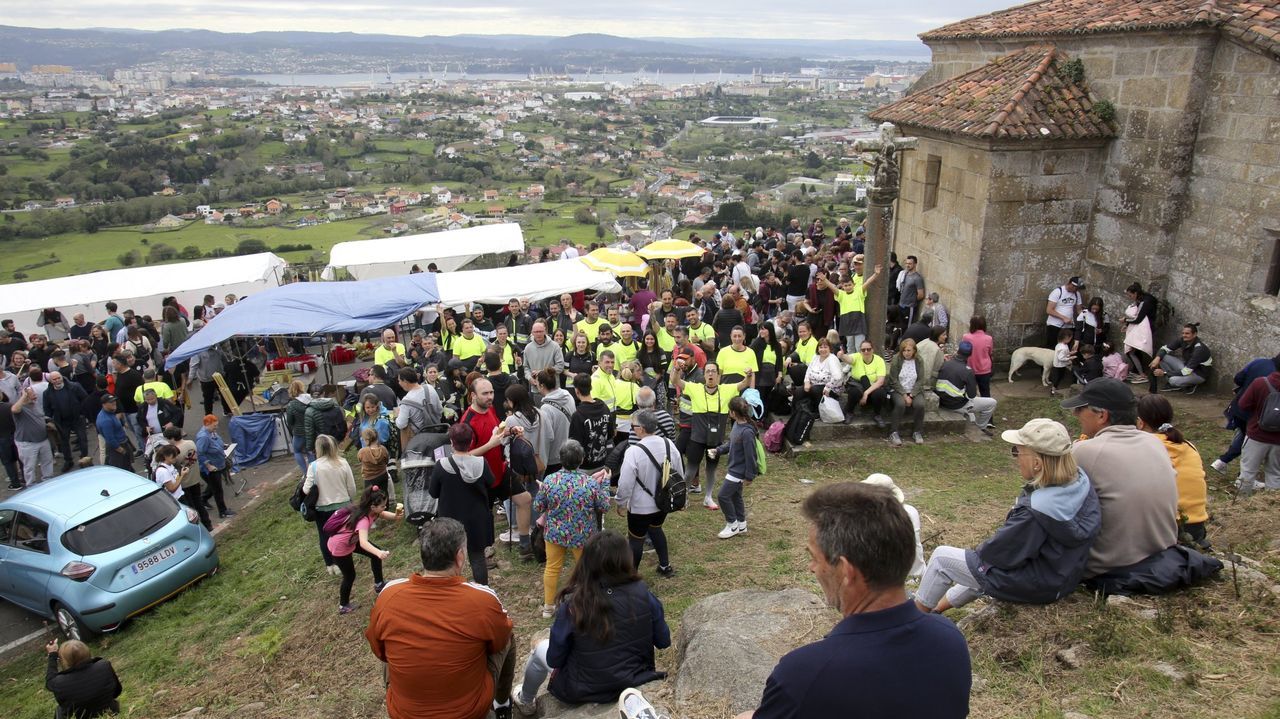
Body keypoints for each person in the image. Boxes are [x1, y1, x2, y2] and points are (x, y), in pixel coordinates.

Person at [738, 482, 970, 719]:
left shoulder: (805, 676)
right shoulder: (950, 640)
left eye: (815, 558)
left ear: (846, 572)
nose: (812, 569)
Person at [916, 419, 1100, 614]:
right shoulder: (1080, 481)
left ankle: (911, 620)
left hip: (1040, 585)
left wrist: (984, 551)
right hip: (1061, 576)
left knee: (942, 558)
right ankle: (937, 609)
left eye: (1017, 451)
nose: (1016, 458)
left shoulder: (1035, 512)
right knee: (973, 565)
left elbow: (995, 556)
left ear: (1037, 463)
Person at [365, 517, 515, 719]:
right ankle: (502, 703)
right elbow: (498, 642)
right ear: (460, 556)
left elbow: (379, 651)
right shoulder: (482, 599)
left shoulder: (389, 595)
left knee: (389, 643)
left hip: (404, 713)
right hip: (469, 712)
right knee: (507, 636)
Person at [513, 530, 670, 715]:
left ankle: (525, 700)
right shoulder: (644, 593)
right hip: (636, 678)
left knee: (540, 649)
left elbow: (554, 659)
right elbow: (664, 641)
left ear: (586, 562)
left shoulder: (574, 603)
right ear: (626, 559)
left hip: (584, 689)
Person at [1061, 379, 1178, 577]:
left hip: (1109, 566)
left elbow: (1053, 502)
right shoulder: (1155, 442)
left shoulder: (1087, 451)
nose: (1075, 414)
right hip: (1161, 555)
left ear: (1101, 415)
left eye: (1081, 409)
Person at [532, 439, 610, 617]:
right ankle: (588, 603)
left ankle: (548, 607)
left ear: (561, 459)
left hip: (554, 534)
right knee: (586, 569)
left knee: (552, 568)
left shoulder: (550, 481)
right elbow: (604, 506)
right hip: (582, 535)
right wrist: (605, 484)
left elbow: (538, 507)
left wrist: (542, 491)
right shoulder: (589, 483)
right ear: (581, 459)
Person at [669, 359, 753, 509]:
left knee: (711, 470)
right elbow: (676, 380)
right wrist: (676, 369)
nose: (710, 374)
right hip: (697, 438)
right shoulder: (695, 388)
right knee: (690, 471)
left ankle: (708, 497)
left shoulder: (726, 390)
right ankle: (684, 495)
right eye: (707, 371)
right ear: (704, 374)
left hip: (715, 439)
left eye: (713, 371)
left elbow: (744, 384)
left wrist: (749, 375)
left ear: (718, 375)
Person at [1136, 395, 1210, 548]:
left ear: (1140, 422)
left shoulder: (1144, 448)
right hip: (1197, 527)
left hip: (1165, 529)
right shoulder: (1188, 445)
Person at [429, 422, 498, 584]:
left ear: (452, 442)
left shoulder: (441, 466)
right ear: (471, 441)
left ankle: (452, 590)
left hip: (449, 521)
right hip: (476, 518)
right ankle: (482, 589)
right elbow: (491, 482)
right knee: (477, 558)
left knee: (450, 559)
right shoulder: (481, 463)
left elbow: (433, 493)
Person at [328, 484, 402, 614]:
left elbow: (383, 514)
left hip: (351, 540)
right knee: (349, 576)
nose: (384, 507)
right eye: (383, 506)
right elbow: (363, 542)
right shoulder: (363, 520)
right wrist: (379, 553)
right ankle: (343, 605)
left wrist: (395, 517)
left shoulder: (371, 511)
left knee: (373, 554)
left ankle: (379, 584)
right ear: (373, 507)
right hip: (340, 545)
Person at [1212, 353, 1279, 475]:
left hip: (1240, 408)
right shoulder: (1275, 376)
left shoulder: (1258, 361)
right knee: (1251, 443)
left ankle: (1223, 462)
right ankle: (1242, 475)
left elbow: (1238, 378)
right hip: (1260, 416)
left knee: (1244, 437)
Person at [304, 434, 359, 576]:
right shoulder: (342, 462)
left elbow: (306, 489)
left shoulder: (314, 466)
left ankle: (331, 564)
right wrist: (349, 500)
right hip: (343, 506)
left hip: (322, 508)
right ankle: (345, 559)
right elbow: (352, 487)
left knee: (324, 536)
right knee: (344, 534)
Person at [710, 397, 758, 539]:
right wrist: (718, 450)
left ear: (732, 412)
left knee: (723, 496)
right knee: (736, 497)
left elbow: (751, 456)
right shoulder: (736, 425)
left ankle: (732, 524)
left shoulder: (747, 432)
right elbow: (731, 443)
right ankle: (742, 524)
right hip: (734, 469)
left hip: (738, 472)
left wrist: (750, 476)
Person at [44, 638, 122, 719]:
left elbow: (50, 681)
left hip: (81, 716)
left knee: (59, 711)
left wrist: (52, 655)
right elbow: (117, 691)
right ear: (87, 652)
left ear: (64, 661)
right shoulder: (104, 665)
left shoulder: (59, 682)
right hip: (110, 712)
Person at [1235, 363, 1280, 496]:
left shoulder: (1260, 383)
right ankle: (1271, 504)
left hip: (1257, 435)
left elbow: (1243, 404)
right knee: (1276, 473)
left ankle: (1241, 503)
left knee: (1248, 471)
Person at [935, 341, 998, 434]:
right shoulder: (968, 371)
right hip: (956, 405)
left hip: (941, 401)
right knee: (992, 403)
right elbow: (972, 395)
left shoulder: (945, 363)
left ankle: (970, 416)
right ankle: (981, 427)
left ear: (958, 351)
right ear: (970, 354)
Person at [568, 373, 615, 475]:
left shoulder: (578, 415)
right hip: (603, 464)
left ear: (577, 391)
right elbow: (611, 434)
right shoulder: (604, 408)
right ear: (591, 387)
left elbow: (574, 445)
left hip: (584, 467)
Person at [42, 371, 88, 473]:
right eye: (54, 379)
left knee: (82, 439)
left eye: (59, 378)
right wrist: (49, 420)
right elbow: (47, 408)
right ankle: (68, 461)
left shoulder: (74, 387)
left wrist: (82, 412)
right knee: (64, 441)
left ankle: (85, 458)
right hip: (61, 421)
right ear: (50, 381)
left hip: (77, 418)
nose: (57, 380)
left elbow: (85, 398)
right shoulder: (47, 393)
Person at [886, 339, 926, 447]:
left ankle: (917, 431)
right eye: (904, 350)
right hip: (899, 389)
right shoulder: (896, 359)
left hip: (914, 390)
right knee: (900, 404)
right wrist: (904, 395)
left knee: (920, 405)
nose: (906, 353)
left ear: (914, 351)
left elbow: (921, 380)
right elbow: (893, 379)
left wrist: (912, 394)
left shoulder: (919, 360)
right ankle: (893, 432)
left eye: (909, 350)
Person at [1151, 323, 1212, 392]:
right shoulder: (1182, 340)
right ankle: (1177, 381)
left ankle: (1189, 384)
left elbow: (1187, 371)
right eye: (1183, 333)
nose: (1184, 335)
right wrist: (1157, 358)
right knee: (1162, 356)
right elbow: (1164, 348)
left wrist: (1164, 373)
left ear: (1194, 334)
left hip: (1198, 374)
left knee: (1173, 380)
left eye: (1187, 333)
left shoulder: (1199, 349)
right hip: (1186, 367)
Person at [11, 386, 54, 485]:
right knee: (29, 466)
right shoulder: (20, 408)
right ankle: (31, 485)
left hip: (43, 439)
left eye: (34, 393)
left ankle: (48, 481)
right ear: (24, 396)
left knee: (47, 461)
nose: (35, 396)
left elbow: (41, 417)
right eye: (31, 394)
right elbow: (14, 410)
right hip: (27, 443)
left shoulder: (36, 404)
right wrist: (23, 397)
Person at [194, 414, 235, 519]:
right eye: (214, 426)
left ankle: (203, 499)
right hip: (211, 468)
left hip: (218, 464)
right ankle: (223, 511)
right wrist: (208, 466)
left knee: (213, 487)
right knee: (218, 490)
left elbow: (217, 442)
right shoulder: (203, 437)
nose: (216, 428)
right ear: (207, 424)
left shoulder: (211, 432)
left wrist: (223, 445)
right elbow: (200, 453)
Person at [841, 340, 888, 425]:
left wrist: (866, 393)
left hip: (872, 387)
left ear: (872, 350)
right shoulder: (857, 356)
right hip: (858, 385)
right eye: (863, 350)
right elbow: (849, 359)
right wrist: (842, 355)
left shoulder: (879, 360)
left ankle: (877, 414)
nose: (866, 351)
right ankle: (849, 412)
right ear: (860, 351)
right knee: (853, 392)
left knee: (880, 393)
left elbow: (880, 381)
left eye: (868, 349)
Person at [1122, 282, 1157, 385]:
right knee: (1134, 351)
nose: (1130, 297)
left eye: (1130, 295)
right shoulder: (1143, 299)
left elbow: (1138, 319)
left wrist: (1126, 321)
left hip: (1144, 329)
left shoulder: (1145, 302)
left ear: (1136, 293)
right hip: (1141, 328)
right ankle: (1137, 372)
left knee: (1131, 351)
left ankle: (1142, 375)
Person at [802, 338, 844, 417]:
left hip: (832, 388)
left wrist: (828, 387)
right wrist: (806, 382)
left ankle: (818, 412)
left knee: (814, 390)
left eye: (825, 347)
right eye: (821, 347)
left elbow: (838, 377)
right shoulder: (815, 357)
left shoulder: (832, 359)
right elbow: (808, 371)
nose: (823, 349)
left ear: (830, 348)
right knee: (799, 392)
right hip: (814, 384)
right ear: (818, 348)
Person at [95, 394, 132, 473]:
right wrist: (121, 450)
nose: (114, 403)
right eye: (110, 402)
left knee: (128, 469)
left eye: (114, 401)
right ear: (104, 404)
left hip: (122, 444)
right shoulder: (105, 420)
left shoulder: (110, 413)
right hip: (117, 449)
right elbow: (110, 439)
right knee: (121, 471)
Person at [1045, 276, 1084, 348]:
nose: (1077, 290)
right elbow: (1049, 310)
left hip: (1069, 326)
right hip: (1055, 325)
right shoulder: (1058, 292)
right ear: (1071, 285)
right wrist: (1063, 318)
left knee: (1065, 347)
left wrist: (1085, 318)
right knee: (1052, 347)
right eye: (1076, 288)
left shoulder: (1077, 294)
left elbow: (1079, 310)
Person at [284, 380, 314, 475]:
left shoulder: (291, 405)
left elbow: (290, 421)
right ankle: (314, 472)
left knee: (297, 451)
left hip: (299, 433)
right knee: (310, 451)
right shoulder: (310, 400)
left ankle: (306, 473)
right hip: (311, 430)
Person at [961, 316, 995, 398]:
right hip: (984, 369)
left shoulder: (966, 337)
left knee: (969, 391)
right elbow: (990, 352)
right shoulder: (989, 339)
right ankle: (986, 409)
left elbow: (963, 350)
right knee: (985, 391)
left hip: (970, 368)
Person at [897, 255, 925, 324]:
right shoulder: (905, 274)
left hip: (909, 307)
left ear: (915, 264)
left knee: (907, 327)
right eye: (906, 263)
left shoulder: (917, 278)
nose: (907, 265)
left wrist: (911, 300)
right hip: (901, 304)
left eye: (910, 264)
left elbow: (921, 295)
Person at [1049, 328, 1075, 396]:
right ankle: (1053, 389)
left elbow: (1064, 353)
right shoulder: (1063, 347)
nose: (1070, 340)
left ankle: (1054, 388)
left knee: (1059, 376)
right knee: (1058, 377)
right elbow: (1061, 357)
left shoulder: (1060, 344)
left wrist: (1070, 353)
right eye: (1070, 338)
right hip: (1060, 365)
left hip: (1058, 364)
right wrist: (1070, 357)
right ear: (1066, 338)